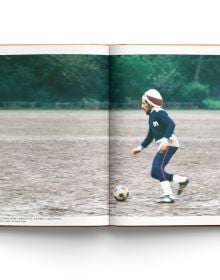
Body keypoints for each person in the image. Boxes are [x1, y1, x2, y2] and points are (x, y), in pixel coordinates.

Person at [132, 89, 189, 203]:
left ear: (150, 103)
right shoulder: (152, 116)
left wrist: (164, 140)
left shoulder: (158, 112)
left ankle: (168, 196)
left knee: (158, 169)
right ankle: (181, 180)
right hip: (165, 144)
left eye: (144, 103)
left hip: (170, 144)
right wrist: (140, 147)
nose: (142, 106)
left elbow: (171, 124)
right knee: (154, 172)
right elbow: (150, 135)